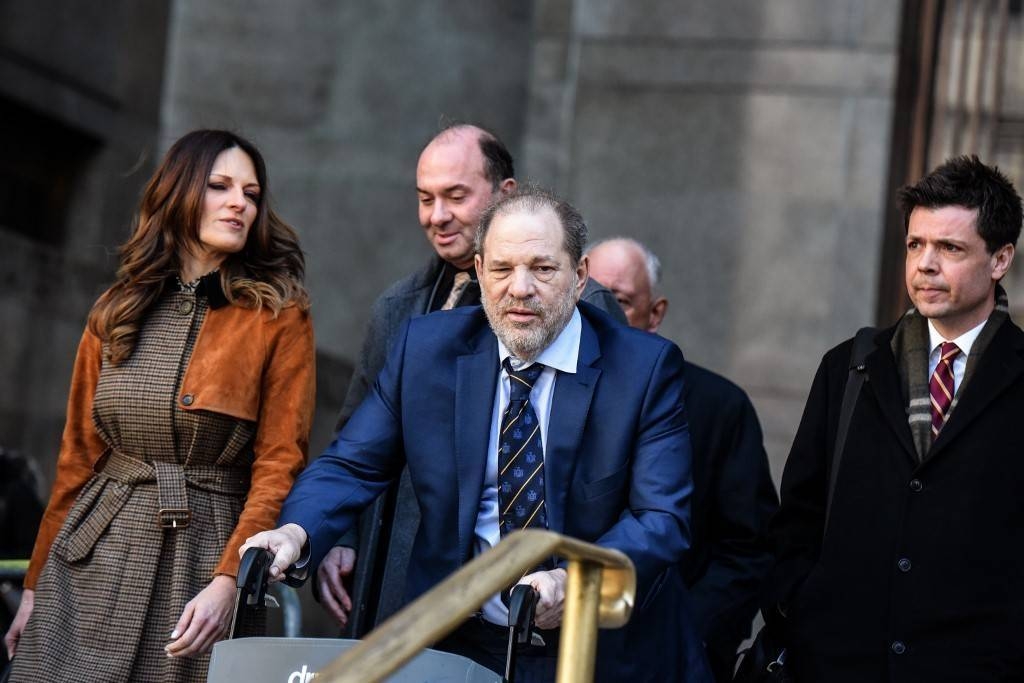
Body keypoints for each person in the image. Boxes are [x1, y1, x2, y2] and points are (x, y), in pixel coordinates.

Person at [244, 186, 711, 681]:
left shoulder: (642, 368)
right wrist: (296, 531)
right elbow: (353, 463)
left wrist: (571, 582)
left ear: (578, 279)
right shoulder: (426, 350)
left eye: (543, 268)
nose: (521, 288)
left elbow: (660, 518)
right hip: (458, 636)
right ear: (481, 271)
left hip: (598, 648)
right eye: (503, 269)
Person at [3, 129, 315, 682]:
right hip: (92, 553)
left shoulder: (279, 316)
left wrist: (230, 579)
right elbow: (76, 459)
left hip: (202, 558)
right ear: (180, 193)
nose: (239, 202)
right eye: (220, 186)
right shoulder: (115, 308)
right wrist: (33, 585)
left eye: (251, 192)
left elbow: (278, 466)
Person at [319, 123, 625, 633]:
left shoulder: (580, 307)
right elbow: (354, 437)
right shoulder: (398, 307)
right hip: (402, 576)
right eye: (425, 198)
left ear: (505, 194)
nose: (437, 216)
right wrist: (341, 535)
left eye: (455, 196)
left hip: (526, 591)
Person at [765, 155, 1024, 681]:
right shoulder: (850, 366)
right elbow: (797, 516)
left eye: (949, 248)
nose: (925, 264)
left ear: (1000, 259)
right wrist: (799, 609)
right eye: (915, 245)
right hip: (837, 664)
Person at [586, 237, 778, 681]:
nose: (602, 315)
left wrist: (688, 629)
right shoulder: (547, 392)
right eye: (589, 297)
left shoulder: (719, 407)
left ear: (655, 314)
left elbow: (749, 549)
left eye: (619, 301)